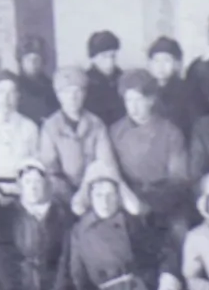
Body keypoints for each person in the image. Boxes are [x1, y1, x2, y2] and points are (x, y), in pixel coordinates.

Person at [51, 162, 209, 290]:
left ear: (119, 197)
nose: (104, 202)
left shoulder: (136, 224)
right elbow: (78, 280)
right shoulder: (79, 232)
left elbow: (166, 255)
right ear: (89, 197)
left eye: (110, 195)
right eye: (98, 195)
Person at [0, 161, 76, 290]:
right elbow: (4, 258)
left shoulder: (61, 215)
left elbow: (66, 265)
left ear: (46, 184)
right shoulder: (9, 215)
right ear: (20, 187)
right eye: (27, 182)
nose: (32, 187)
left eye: (37, 182)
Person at [107, 71, 190, 223]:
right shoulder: (115, 131)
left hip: (165, 201)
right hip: (128, 199)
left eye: (139, 100)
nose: (133, 107)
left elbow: (178, 179)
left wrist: (152, 205)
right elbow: (112, 172)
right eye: (129, 100)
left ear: (151, 100)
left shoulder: (170, 132)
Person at [38, 65, 119, 209]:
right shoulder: (50, 127)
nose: (72, 97)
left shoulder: (96, 124)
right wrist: (71, 198)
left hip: (95, 193)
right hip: (62, 198)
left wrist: (87, 194)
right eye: (67, 92)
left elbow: (106, 163)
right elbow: (50, 170)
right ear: (58, 95)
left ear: (84, 94)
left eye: (77, 91)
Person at [146, 37, 200, 136]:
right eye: (156, 61)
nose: (160, 66)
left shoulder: (188, 91)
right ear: (150, 64)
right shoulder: (146, 89)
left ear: (177, 64)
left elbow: (196, 127)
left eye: (166, 60)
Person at [13, 36, 60, 123]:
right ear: (21, 61)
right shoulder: (15, 86)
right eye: (28, 59)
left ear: (43, 61)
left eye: (36, 59)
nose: (32, 63)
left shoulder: (51, 87)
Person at [84, 31, 126, 125]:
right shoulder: (85, 82)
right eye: (104, 56)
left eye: (112, 56)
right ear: (93, 58)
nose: (110, 61)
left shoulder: (123, 78)